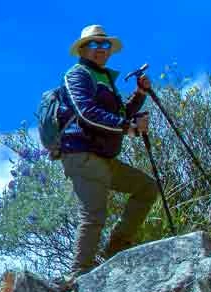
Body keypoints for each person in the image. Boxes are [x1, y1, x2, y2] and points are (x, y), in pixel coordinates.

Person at [58, 24, 156, 277]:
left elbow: (118, 114)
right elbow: (86, 113)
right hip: (82, 155)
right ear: (83, 49)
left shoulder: (103, 77)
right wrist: (128, 127)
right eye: (94, 45)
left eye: (104, 45)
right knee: (93, 215)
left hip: (103, 157)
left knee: (146, 188)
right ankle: (78, 277)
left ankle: (116, 247)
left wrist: (140, 95)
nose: (100, 49)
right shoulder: (77, 75)